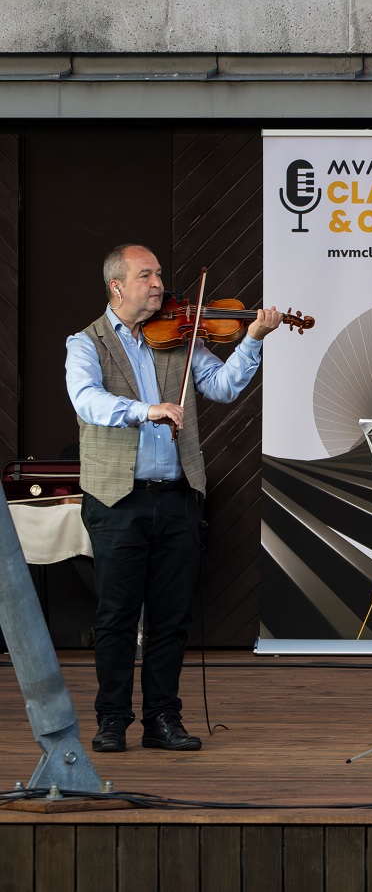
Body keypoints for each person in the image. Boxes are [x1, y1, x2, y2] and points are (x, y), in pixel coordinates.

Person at [66, 244, 282, 753]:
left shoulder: (179, 336)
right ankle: (112, 719)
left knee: (171, 616)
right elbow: (87, 401)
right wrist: (146, 410)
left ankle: (163, 719)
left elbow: (225, 387)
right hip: (118, 500)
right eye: (146, 275)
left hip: (179, 496)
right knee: (117, 616)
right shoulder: (86, 343)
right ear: (116, 286)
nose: (159, 284)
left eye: (159, 274)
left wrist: (252, 338)